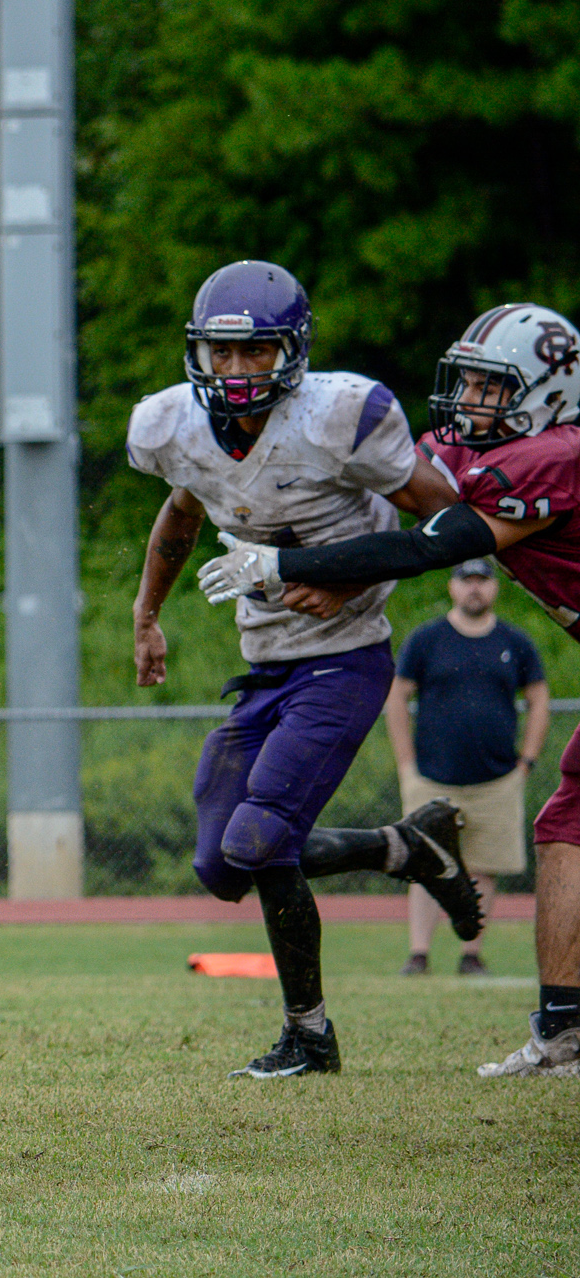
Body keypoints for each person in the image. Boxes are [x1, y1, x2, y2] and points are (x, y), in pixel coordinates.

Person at [200, 300, 580, 1077]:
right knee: (565, 824)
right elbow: (393, 505)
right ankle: (565, 1034)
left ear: (549, 395)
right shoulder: (470, 449)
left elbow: (439, 543)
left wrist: (285, 567)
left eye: (491, 388)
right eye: (468, 381)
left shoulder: (558, 453)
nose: (469, 400)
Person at [130, 260, 482, 1080]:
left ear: (293, 353)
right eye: (224, 353)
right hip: (266, 667)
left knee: (260, 838)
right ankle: (403, 848)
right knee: (222, 864)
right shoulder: (173, 427)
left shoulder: (339, 417)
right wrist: (146, 613)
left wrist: (352, 574)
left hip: (346, 661)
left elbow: (453, 521)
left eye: (258, 353)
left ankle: (310, 1035)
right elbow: (183, 507)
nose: (238, 370)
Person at [386, 559, 549, 976]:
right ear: (452, 586)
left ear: (495, 587)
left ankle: (470, 954)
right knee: (424, 864)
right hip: (431, 776)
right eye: (466, 580)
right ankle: (418, 954)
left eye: (482, 580)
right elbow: (397, 698)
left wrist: (525, 762)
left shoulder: (516, 641)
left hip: (496, 778)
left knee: (484, 867)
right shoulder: (427, 639)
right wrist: (406, 764)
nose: (474, 588)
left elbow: (539, 701)